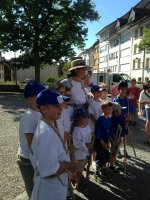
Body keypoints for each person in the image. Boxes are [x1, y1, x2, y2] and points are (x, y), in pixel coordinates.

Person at [30, 89, 79, 200]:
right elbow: (49, 171)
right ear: (43, 109)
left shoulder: (53, 123)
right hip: (50, 191)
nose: (61, 109)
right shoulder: (45, 133)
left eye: (60, 105)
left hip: (56, 186)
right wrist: (69, 165)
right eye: (56, 106)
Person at [17, 81, 45, 198]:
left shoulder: (41, 113)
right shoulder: (29, 117)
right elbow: (31, 143)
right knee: (33, 188)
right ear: (30, 99)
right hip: (28, 159)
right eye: (39, 97)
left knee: (40, 187)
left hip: (37, 157)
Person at [72, 108, 93, 192]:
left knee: (81, 168)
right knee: (78, 170)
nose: (84, 120)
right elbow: (76, 143)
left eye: (86, 118)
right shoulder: (77, 130)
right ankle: (78, 183)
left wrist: (90, 146)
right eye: (82, 118)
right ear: (77, 119)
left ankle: (77, 178)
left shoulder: (87, 127)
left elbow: (89, 138)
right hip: (79, 154)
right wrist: (87, 145)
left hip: (85, 152)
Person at [94, 101, 113, 180]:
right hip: (99, 142)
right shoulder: (100, 119)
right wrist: (102, 142)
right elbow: (98, 132)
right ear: (103, 110)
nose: (109, 111)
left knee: (106, 156)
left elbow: (109, 131)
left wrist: (110, 141)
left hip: (106, 141)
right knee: (101, 156)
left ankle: (103, 169)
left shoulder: (109, 119)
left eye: (111, 109)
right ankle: (97, 171)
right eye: (107, 109)